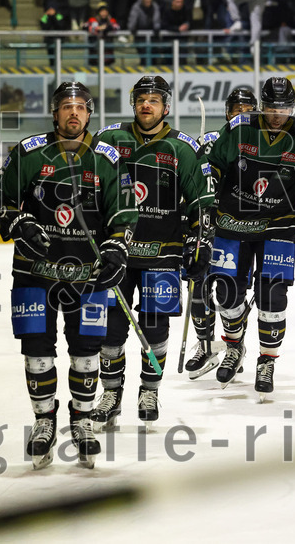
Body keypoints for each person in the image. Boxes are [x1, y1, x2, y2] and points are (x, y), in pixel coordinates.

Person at [0, 82, 138, 469]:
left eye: (81, 108)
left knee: (86, 351)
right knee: (37, 350)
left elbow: (123, 212)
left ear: (90, 114)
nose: (74, 114)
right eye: (66, 107)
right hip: (33, 273)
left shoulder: (106, 158)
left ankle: (83, 420)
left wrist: (117, 246)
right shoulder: (29, 151)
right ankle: (43, 422)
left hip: (86, 276)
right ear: (54, 113)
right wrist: (19, 223)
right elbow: (0, 196)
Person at [91, 77, 213, 428]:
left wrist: (200, 241)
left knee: (155, 326)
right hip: (116, 250)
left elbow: (202, 203)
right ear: (133, 104)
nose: (147, 105)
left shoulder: (182, 148)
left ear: (166, 106)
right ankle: (111, 393)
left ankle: (150, 389)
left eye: (154, 100)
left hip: (164, 250)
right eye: (141, 99)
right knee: (111, 327)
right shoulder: (110, 139)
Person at [205, 78, 295, 398]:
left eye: (285, 109)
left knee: (272, 296)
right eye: (272, 108)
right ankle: (234, 347)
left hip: (278, 224)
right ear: (261, 105)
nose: (278, 115)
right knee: (226, 290)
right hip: (231, 221)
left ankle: (267, 359)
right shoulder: (239, 127)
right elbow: (213, 166)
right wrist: (207, 205)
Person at [183, 88, 258, 378]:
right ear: (227, 112)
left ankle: (234, 347)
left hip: (237, 228)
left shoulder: (260, 145)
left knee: (230, 291)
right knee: (198, 285)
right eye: (235, 108)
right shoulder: (212, 141)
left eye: (247, 109)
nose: (240, 113)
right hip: (206, 224)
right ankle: (204, 344)